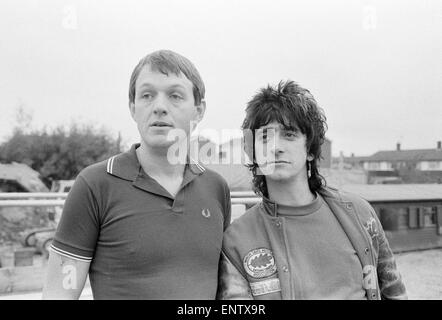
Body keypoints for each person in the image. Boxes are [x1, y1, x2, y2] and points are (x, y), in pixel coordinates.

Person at [43, 50, 231, 299]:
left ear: (199, 110)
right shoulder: (94, 185)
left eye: (175, 96)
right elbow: (59, 294)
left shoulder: (216, 188)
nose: (160, 107)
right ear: (133, 108)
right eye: (147, 95)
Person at [217, 80, 407, 300]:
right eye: (265, 137)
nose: (276, 147)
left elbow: (395, 292)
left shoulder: (361, 215)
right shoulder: (237, 240)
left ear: (310, 149)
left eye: (289, 135)